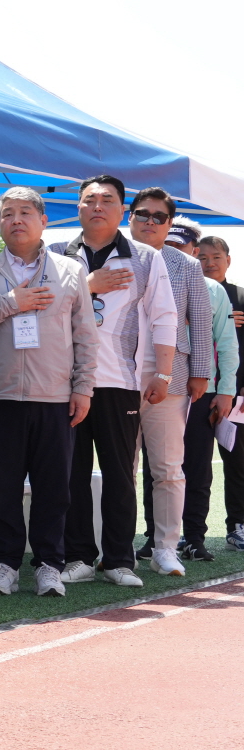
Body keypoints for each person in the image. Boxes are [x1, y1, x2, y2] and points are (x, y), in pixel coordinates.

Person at [48, 177, 179, 585]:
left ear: (122, 210)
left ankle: (120, 559)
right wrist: (88, 286)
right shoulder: (55, 255)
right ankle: (79, 557)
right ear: (78, 208)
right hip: (63, 382)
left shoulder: (144, 257)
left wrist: (162, 372)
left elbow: (165, 316)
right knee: (71, 472)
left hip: (121, 380)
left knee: (120, 472)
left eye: (107, 200)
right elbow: (42, 307)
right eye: (90, 200)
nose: (98, 206)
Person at [0, 188, 98, 595]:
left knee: (53, 488)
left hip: (55, 396)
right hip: (1, 395)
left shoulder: (70, 269)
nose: (16, 220)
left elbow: (85, 334)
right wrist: (11, 302)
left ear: (43, 220)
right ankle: (6, 564)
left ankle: (49, 563)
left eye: (26, 212)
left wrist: (83, 388)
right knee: (3, 487)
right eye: (7, 213)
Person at [126, 192, 214, 573]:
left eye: (159, 216)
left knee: (168, 467)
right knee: (120, 468)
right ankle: (116, 549)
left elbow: (202, 319)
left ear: (168, 223)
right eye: (142, 213)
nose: (150, 220)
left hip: (172, 377)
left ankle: (165, 547)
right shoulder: (113, 256)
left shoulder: (186, 265)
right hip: (116, 374)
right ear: (129, 217)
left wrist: (201, 373)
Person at [159, 221, 237, 560]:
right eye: (170, 248)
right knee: (159, 468)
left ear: (193, 251)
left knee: (197, 465)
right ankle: (155, 537)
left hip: (200, 391)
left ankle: (193, 536)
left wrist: (226, 391)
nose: (176, 255)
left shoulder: (212, 289)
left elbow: (227, 344)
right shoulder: (147, 282)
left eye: (182, 248)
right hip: (158, 389)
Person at [198, 235, 244, 548]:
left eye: (216, 257)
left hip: (236, 395)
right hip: (194, 392)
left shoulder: (241, 296)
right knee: (191, 466)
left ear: (228, 259)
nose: (210, 263)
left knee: (238, 463)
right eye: (202, 258)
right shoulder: (184, 292)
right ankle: (185, 533)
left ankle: (237, 526)